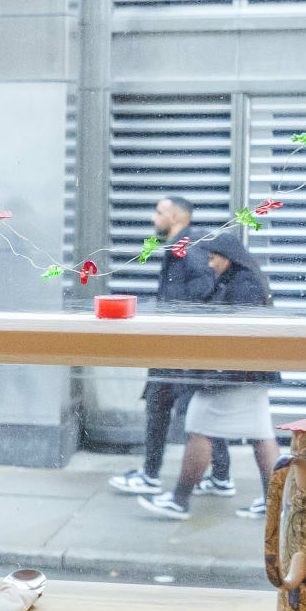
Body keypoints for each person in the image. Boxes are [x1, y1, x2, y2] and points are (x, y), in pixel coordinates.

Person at [143, 220, 283, 523]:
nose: (208, 263)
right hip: (248, 376)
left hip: (233, 376)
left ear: (226, 257)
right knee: (261, 434)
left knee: (199, 427)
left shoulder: (242, 284)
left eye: (212, 258)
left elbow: (236, 331)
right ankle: (276, 503)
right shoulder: (242, 279)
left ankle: (180, 500)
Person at [114, 196, 227, 498]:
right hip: (176, 345)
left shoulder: (187, 246)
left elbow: (205, 285)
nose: (154, 218)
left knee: (170, 407)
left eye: (159, 212)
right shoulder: (183, 245)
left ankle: (153, 475)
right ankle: (219, 476)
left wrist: (178, 322)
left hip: (179, 346)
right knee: (179, 407)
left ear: (176, 217)